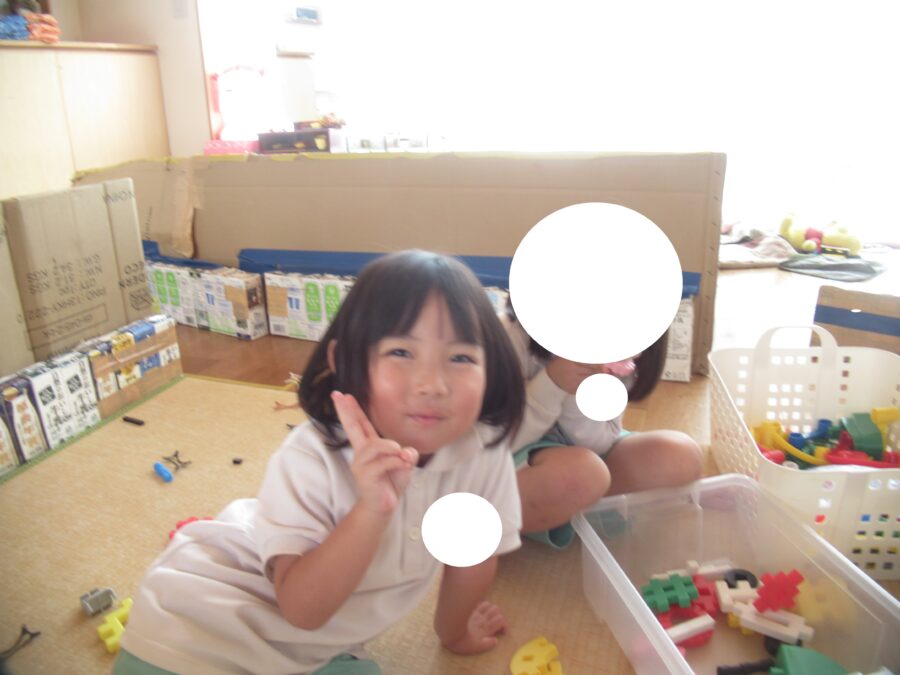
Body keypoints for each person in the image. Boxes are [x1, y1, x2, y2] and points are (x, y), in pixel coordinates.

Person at [114, 250, 526, 675]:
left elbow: (472, 559)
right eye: (401, 352)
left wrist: (454, 633)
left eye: (461, 358)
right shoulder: (310, 456)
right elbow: (302, 610)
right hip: (201, 627)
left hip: (316, 651)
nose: (433, 385)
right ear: (344, 361)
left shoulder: (483, 452)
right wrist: (371, 509)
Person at [503, 304, 703, 549]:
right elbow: (495, 442)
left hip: (584, 457)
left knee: (680, 456)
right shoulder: (512, 337)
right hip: (511, 458)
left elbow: (598, 442)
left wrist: (580, 394)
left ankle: (570, 511)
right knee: (582, 474)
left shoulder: (622, 347)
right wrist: (552, 384)